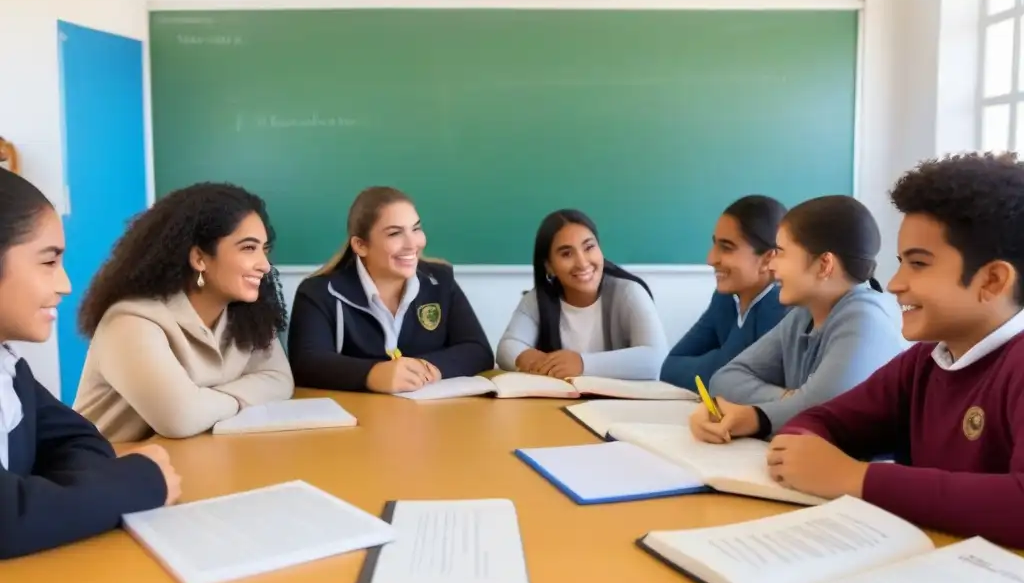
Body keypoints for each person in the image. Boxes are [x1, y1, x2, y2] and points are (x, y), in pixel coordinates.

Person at [765, 153, 1024, 583]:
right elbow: (821, 420)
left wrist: (858, 480)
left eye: (918, 263)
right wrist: (805, 444)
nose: (897, 282)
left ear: (991, 281)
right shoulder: (926, 361)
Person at [0, 167, 177, 557]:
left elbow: (78, 437)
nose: (65, 284)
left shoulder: (9, 368)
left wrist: (60, 500)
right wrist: (140, 481)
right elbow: (7, 522)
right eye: (48, 263)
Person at [73, 183, 294, 442]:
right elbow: (180, 418)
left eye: (264, 250)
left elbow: (279, 380)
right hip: (106, 470)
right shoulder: (129, 322)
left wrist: (204, 401)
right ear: (199, 258)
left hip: (186, 459)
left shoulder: (247, 314)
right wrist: (239, 399)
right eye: (248, 248)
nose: (265, 266)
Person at [690, 195, 906, 442]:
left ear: (824, 264)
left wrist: (759, 414)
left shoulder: (866, 318)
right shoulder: (802, 314)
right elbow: (724, 379)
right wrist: (792, 398)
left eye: (781, 253)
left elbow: (824, 413)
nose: (771, 267)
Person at [288, 186, 494, 393]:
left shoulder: (440, 280)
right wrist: (372, 373)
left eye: (416, 229)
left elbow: (478, 350)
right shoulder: (319, 292)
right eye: (395, 233)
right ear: (360, 245)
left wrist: (424, 369)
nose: (412, 244)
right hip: (359, 417)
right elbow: (306, 363)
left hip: (429, 417)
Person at [496, 209, 667, 380]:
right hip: (559, 403)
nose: (582, 262)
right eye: (566, 254)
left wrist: (582, 364)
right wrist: (530, 359)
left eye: (589, 247)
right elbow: (507, 347)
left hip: (622, 405)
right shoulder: (537, 300)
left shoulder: (629, 293)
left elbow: (656, 358)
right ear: (549, 266)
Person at [660, 195, 789, 392]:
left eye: (726, 248)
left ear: (767, 259)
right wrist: (723, 361)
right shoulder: (726, 298)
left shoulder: (783, 309)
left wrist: (721, 360)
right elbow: (670, 368)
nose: (711, 258)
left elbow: (736, 386)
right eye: (714, 244)